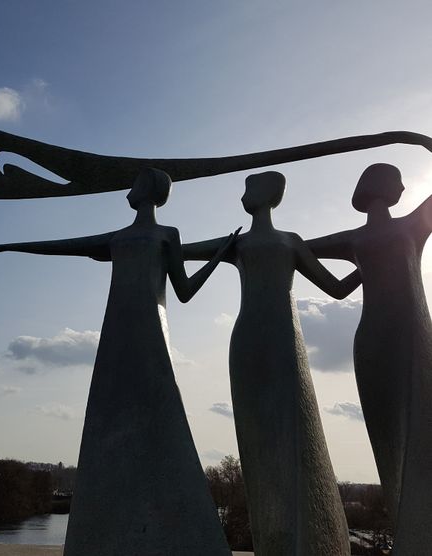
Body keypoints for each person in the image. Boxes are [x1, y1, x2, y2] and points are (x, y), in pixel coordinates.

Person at [0, 168, 238, 556]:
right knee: (109, 413)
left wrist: (217, 256)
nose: (126, 192)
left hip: (150, 330)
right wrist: (9, 246)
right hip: (116, 330)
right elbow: (63, 245)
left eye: (132, 185)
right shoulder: (119, 237)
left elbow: (183, 293)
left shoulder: (168, 235)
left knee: (160, 409)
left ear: (147, 190)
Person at [183, 171, 360, 556]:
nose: (242, 195)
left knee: (297, 432)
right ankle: (274, 538)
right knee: (257, 441)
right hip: (247, 342)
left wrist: (379, 261)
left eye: (249, 188)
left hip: (285, 341)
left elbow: (338, 288)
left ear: (269, 193)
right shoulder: (237, 243)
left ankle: (309, 539)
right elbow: (177, 254)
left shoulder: (290, 242)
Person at [307, 163, 432, 555]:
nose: (400, 187)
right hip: (373, 341)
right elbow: (297, 250)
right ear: (383, 186)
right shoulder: (354, 237)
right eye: (397, 180)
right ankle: (410, 531)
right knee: (387, 438)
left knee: (423, 428)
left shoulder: (414, 224)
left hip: (415, 337)